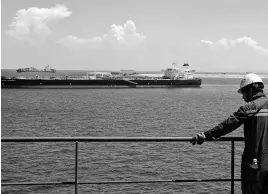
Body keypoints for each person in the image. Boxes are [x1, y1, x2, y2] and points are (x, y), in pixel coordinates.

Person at [190, 73, 268, 194]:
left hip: (256, 163)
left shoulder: (249, 108)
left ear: (250, 90)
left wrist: (207, 135)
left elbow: (228, 125)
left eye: (243, 92)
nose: (243, 97)